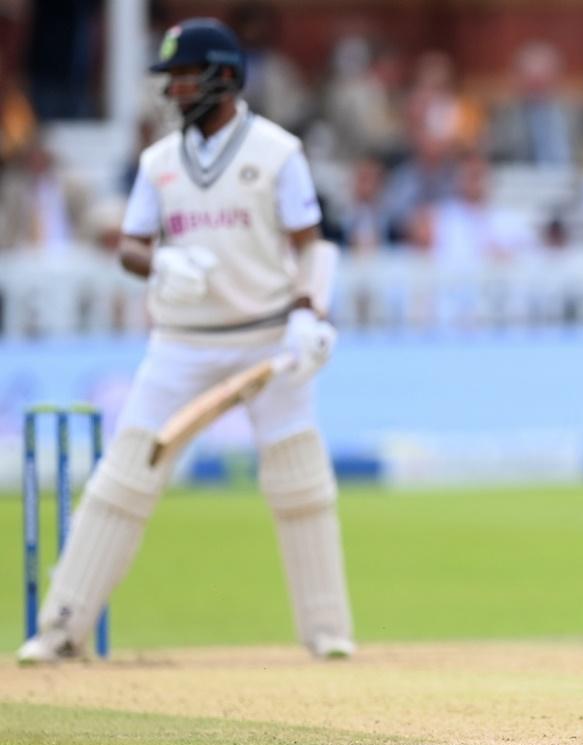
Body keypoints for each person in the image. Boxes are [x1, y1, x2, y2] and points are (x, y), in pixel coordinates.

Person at [17, 18, 355, 663]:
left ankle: (328, 631)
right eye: (169, 78)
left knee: (299, 480)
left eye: (183, 76)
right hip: (181, 343)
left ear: (224, 77)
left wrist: (313, 313)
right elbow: (132, 247)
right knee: (124, 476)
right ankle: (61, 629)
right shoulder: (159, 161)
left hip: (266, 337)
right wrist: (160, 264)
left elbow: (312, 244)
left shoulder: (277, 151)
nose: (173, 89)